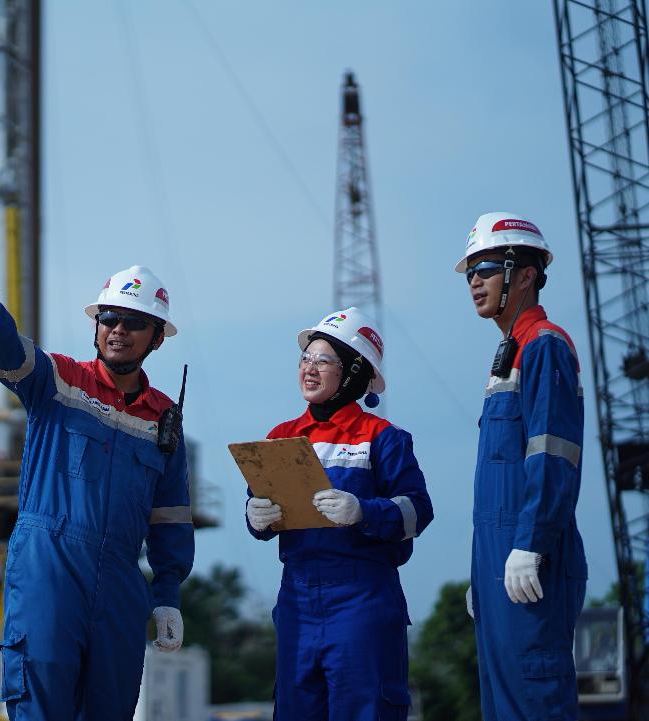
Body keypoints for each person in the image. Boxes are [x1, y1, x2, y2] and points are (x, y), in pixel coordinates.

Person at [0, 227, 194, 721]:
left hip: (122, 579)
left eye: (133, 322)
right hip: (50, 567)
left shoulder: (164, 420)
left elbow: (170, 517)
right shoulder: (57, 381)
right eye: (109, 318)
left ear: (157, 339)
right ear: (97, 325)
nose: (117, 330)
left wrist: (167, 595)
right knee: (40, 701)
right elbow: (6, 351)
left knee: (111, 707)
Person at [245, 307, 433, 721]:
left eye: (323, 360)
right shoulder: (280, 438)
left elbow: (419, 511)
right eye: (305, 359)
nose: (309, 369)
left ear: (352, 373)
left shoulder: (383, 439)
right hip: (296, 600)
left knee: (364, 708)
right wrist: (255, 515)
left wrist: (363, 511)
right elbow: (262, 506)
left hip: (362, 600)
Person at [458, 212, 587, 720]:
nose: (474, 281)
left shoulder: (544, 344)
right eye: (470, 271)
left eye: (486, 267)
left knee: (536, 701)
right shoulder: (508, 355)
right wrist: (483, 568)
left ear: (526, 273)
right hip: (499, 562)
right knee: (504, 707)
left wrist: (529, 545)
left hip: (532, 559)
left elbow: (553, 456)